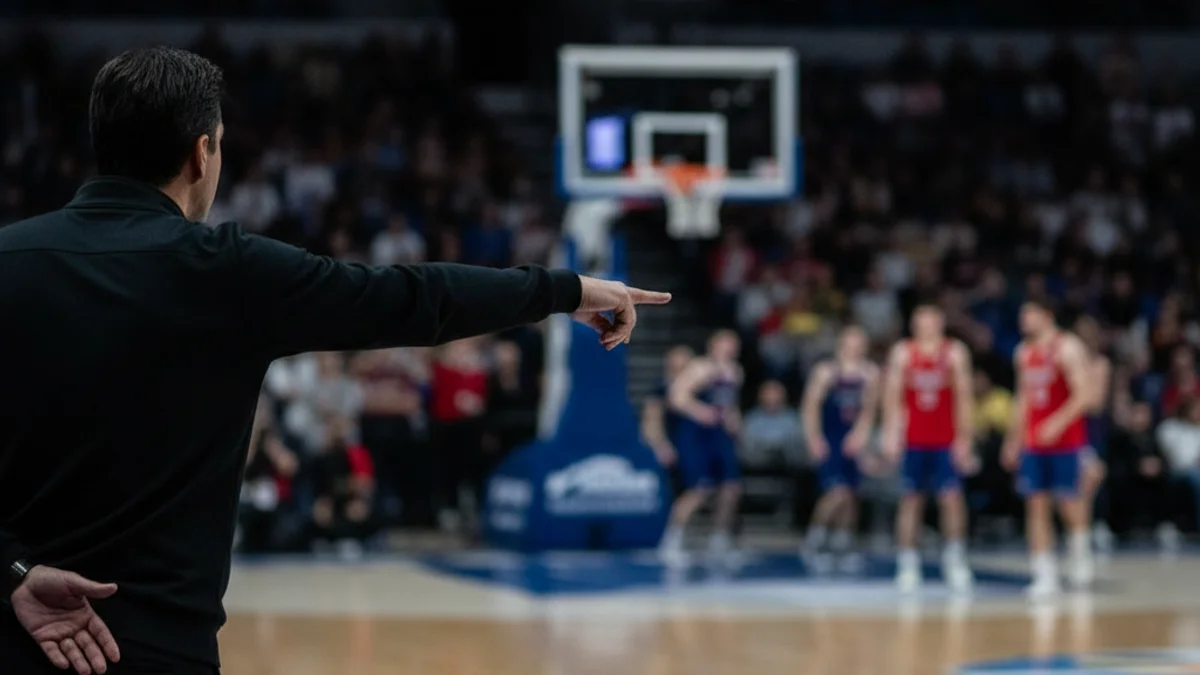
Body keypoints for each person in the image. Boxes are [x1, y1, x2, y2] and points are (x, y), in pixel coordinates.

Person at [0, 47, 670, 675]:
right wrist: (567, 289)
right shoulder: (229, 274)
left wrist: (13, 573)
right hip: (157, 648)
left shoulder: (10, 261)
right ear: (201, 154)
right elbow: (414, 297)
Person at [1002, 300, 1094, 599]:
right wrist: (1013, 439)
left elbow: (1084, 395)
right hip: (1034, 441)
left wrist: (1057, 422)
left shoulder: (1067, 347)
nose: (1024, 320)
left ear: (1047, 315)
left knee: (1069, 502)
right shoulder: (1023, 352)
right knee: (1035, 504)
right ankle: (1044, 574)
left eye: (1029, 314)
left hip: (1066, 440)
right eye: (1022, 314)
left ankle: (1080, 554)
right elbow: (1023, 397)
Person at [881, 304, 975, 593]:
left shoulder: (955, 352)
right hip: (914, 438)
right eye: (920, 321)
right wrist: (890, 433)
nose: (925, 326)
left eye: (930, 321)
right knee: (911, 500)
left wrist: (965, 439)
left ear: (940, 322)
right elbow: (893, 396)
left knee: (951, 499)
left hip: (945, 438)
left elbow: (964, 398)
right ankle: (907, 563)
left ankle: (955, 558)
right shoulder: (903, 352)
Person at [659, 331, 744, 565]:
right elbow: (676, 396)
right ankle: (672, 540)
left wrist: (734, 421)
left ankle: (720, 540)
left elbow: (729, 403)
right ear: (713, 346)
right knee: (699, 489)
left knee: (731, 488)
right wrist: (700, 412)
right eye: (724, 344)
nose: (729, 349)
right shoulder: (700, 368)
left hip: (720, 436)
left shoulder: (735, 372)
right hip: (696, 435)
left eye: (732, 345)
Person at [800, 326, 880, 560]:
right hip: (830, 436)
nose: (854, 349)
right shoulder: (826, 371)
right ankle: (816, 538)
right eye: (850, 344)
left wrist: (861, 435)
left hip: (853, 437)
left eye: (859, 345)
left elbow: (869, 409)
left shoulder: (870, 373)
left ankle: (842, 543)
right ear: (841, 345)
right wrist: (814, 438)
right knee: (836, 492)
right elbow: (810, 407)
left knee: (852, 493)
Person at [1074, 316, 1114, 552]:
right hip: (1070, 430)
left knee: (1090, 480)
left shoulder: (1100, 364)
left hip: (1090, 430)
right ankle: (1078, 531)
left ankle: (1087, 529)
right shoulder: (1068, 362)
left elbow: (1095, 403)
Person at [641, 345, 695, 469]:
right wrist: (661, 444)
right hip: (672, 443)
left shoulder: (700, 390)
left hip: (694, 443)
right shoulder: (661, 389)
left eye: (684, 368)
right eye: (676, 368)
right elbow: (652, 419)